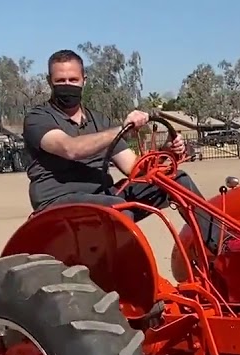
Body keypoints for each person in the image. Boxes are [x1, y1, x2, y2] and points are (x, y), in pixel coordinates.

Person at [22, 49, 223, 249]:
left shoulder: (99, 121)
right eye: (61, 80)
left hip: (103, 195)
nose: (67, 85)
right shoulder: (38, 118)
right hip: (58, 201)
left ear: (84, 80)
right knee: (118, 211)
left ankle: (221, 247)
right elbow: (70, 148)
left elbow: (134, 168)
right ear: (50, 82)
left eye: (73, 79)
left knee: (178, 181)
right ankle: (127, 277)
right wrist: (122, 129)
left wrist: (167, 151)